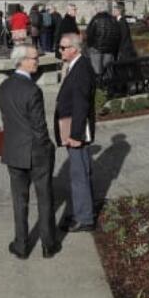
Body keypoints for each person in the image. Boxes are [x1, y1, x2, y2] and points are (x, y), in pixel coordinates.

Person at [0, 44, 59, 259]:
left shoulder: (3, 87)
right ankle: (48, 244)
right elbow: (39, 127)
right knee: (45, 197)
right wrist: (48, 147)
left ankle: (21, 246)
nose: (37, 61)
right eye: (34, 58)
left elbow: (5, 120)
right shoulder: (33, 90)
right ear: (21, 60)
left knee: (19, 201)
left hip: (13, 151)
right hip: (36, 152)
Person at [54, 32, 96, 233]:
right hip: (72, 126)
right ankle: (82, 210)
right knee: (78, 172)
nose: (60, 50)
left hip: (76, 129)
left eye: (63, 47)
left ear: (74, 49)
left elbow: (81, 105)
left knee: (79, 174)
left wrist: (76, 135)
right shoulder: (77, 66)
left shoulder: (80, 70)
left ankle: (84, 217)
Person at [85, 8, 121, 81]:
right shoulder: (113, 20)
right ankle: (106, 85)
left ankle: (98, 85)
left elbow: (89, 33)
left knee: (97, 70)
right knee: (107, 70)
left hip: (96, 48)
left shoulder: (95, 19)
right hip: (109, 49)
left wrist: (90, 45)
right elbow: (118, 34)